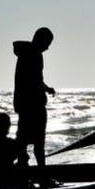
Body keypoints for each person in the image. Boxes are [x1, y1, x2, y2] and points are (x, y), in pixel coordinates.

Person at [12, 27, 56, 169]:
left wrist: (46, 88)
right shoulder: (35, 55)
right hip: (34, 105)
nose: (48, 48)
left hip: (23, 104)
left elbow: (35, 79)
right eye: (47, 43)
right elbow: (34, 81)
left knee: (22, 140)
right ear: (41, 40)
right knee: (38, 142)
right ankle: (42, 175)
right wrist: (43, 89)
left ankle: (22, 172)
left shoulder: (24, 53)